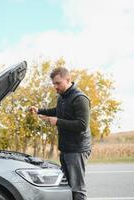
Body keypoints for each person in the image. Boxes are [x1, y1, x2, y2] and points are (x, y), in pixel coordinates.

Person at [29, 67, 92, 200]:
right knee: (68, 187)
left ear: (68, 80)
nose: (55, 87)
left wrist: (57, 122)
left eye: (58, 83)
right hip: (66, 148)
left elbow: (82, 125)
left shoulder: (80, 98)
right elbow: (57, 111)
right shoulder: (62, 97)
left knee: (77, 189)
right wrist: (39, 110)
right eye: (53, 84)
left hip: (77, 149)